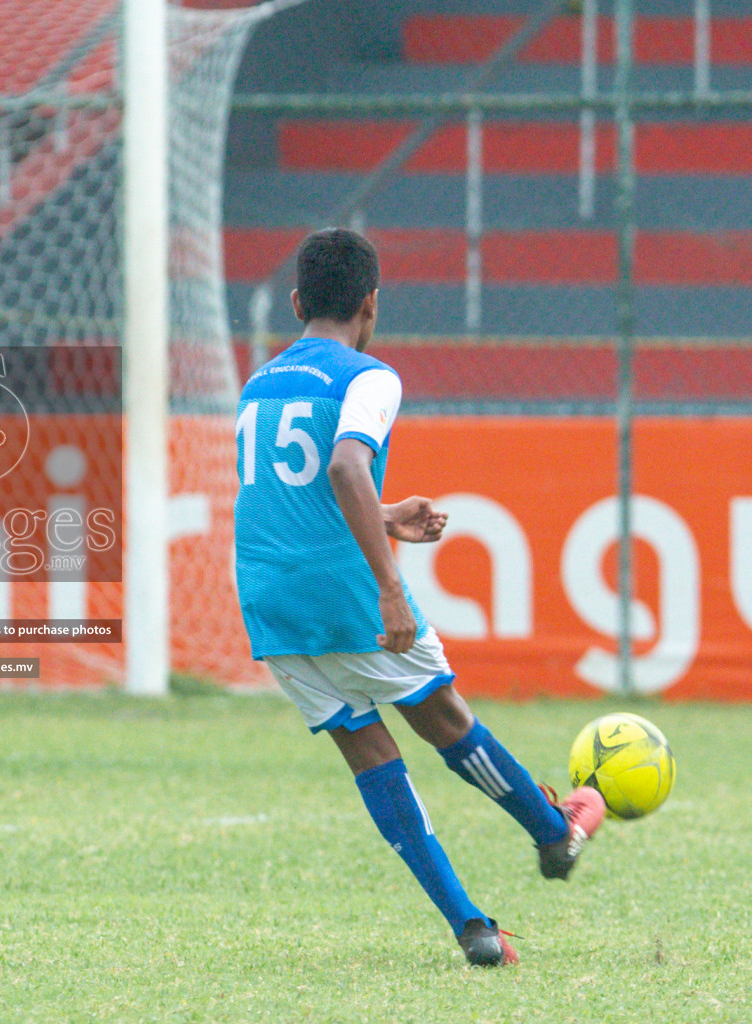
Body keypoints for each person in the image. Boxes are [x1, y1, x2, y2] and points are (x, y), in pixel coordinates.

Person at [231, 228, 606, 966]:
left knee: (367, 750)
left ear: (299, 301)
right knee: (444, 720)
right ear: (371, 302)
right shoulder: (367, 376)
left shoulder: (259, 381)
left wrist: (387, 512)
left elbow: (290, 491)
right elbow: (342, 468)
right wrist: (391, 588)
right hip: (344, 594)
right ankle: (553, 832)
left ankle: (472, 926)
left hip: (268, 598)